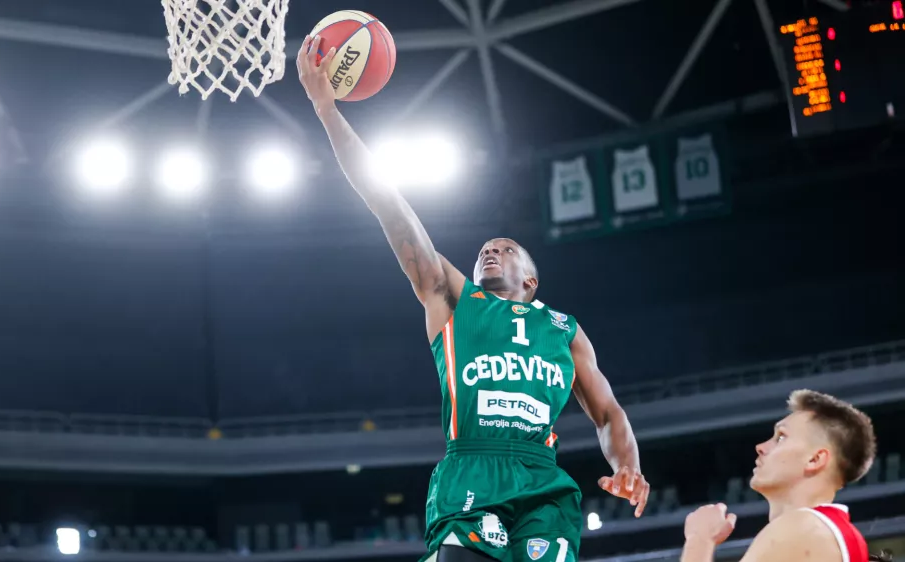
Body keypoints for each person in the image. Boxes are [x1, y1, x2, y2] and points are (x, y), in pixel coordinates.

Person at [297, 36, 649, 562]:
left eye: (506, 250)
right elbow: (390, 207)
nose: (491, 252)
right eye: (485, 248)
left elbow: (608, 413)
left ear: (530, 281)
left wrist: (627, 464)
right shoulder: (451, 298)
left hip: (541, 478)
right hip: (472, 469)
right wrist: (327, 110)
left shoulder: (564, 330)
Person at [681, 390, 891, 562]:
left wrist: (700, 539)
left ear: (814, 459)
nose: (761, 447)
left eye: (781, 437)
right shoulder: (829, 532)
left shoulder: (802, 527)